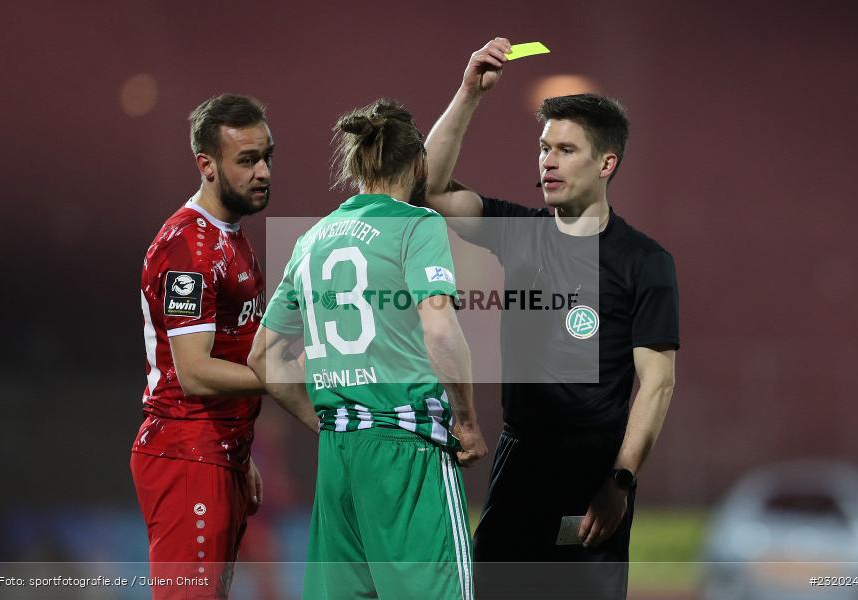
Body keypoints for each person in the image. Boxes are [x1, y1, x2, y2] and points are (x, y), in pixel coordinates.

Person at [421, 38, 680, 599]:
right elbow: (431, 188)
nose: (547, 160)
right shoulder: (520, 232)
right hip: (520, 461)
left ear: (606, 163)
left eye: (565, 149)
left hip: (594, 472)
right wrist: (468, 93)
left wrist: (620, 481)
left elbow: (657, 384)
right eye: (544, 148)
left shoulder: (646, 261)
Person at [249, 98, 487, 600]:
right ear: (419, 163)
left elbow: (265, 357)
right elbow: (440, 330)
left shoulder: (311, 240)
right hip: (407, 454)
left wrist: (326, 418)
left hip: (339, 458)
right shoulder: (417, 225)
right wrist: (465, 420)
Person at [131, 94, 316, 599]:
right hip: (187, 454)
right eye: (247, 160)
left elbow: (231, 352)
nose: (263, 172)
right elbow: (194, 372)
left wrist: (241, 452)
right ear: (206, 166)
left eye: (267, 157)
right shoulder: (187, 249)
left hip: (219, 453)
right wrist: (288, 377)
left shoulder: (232, 238)